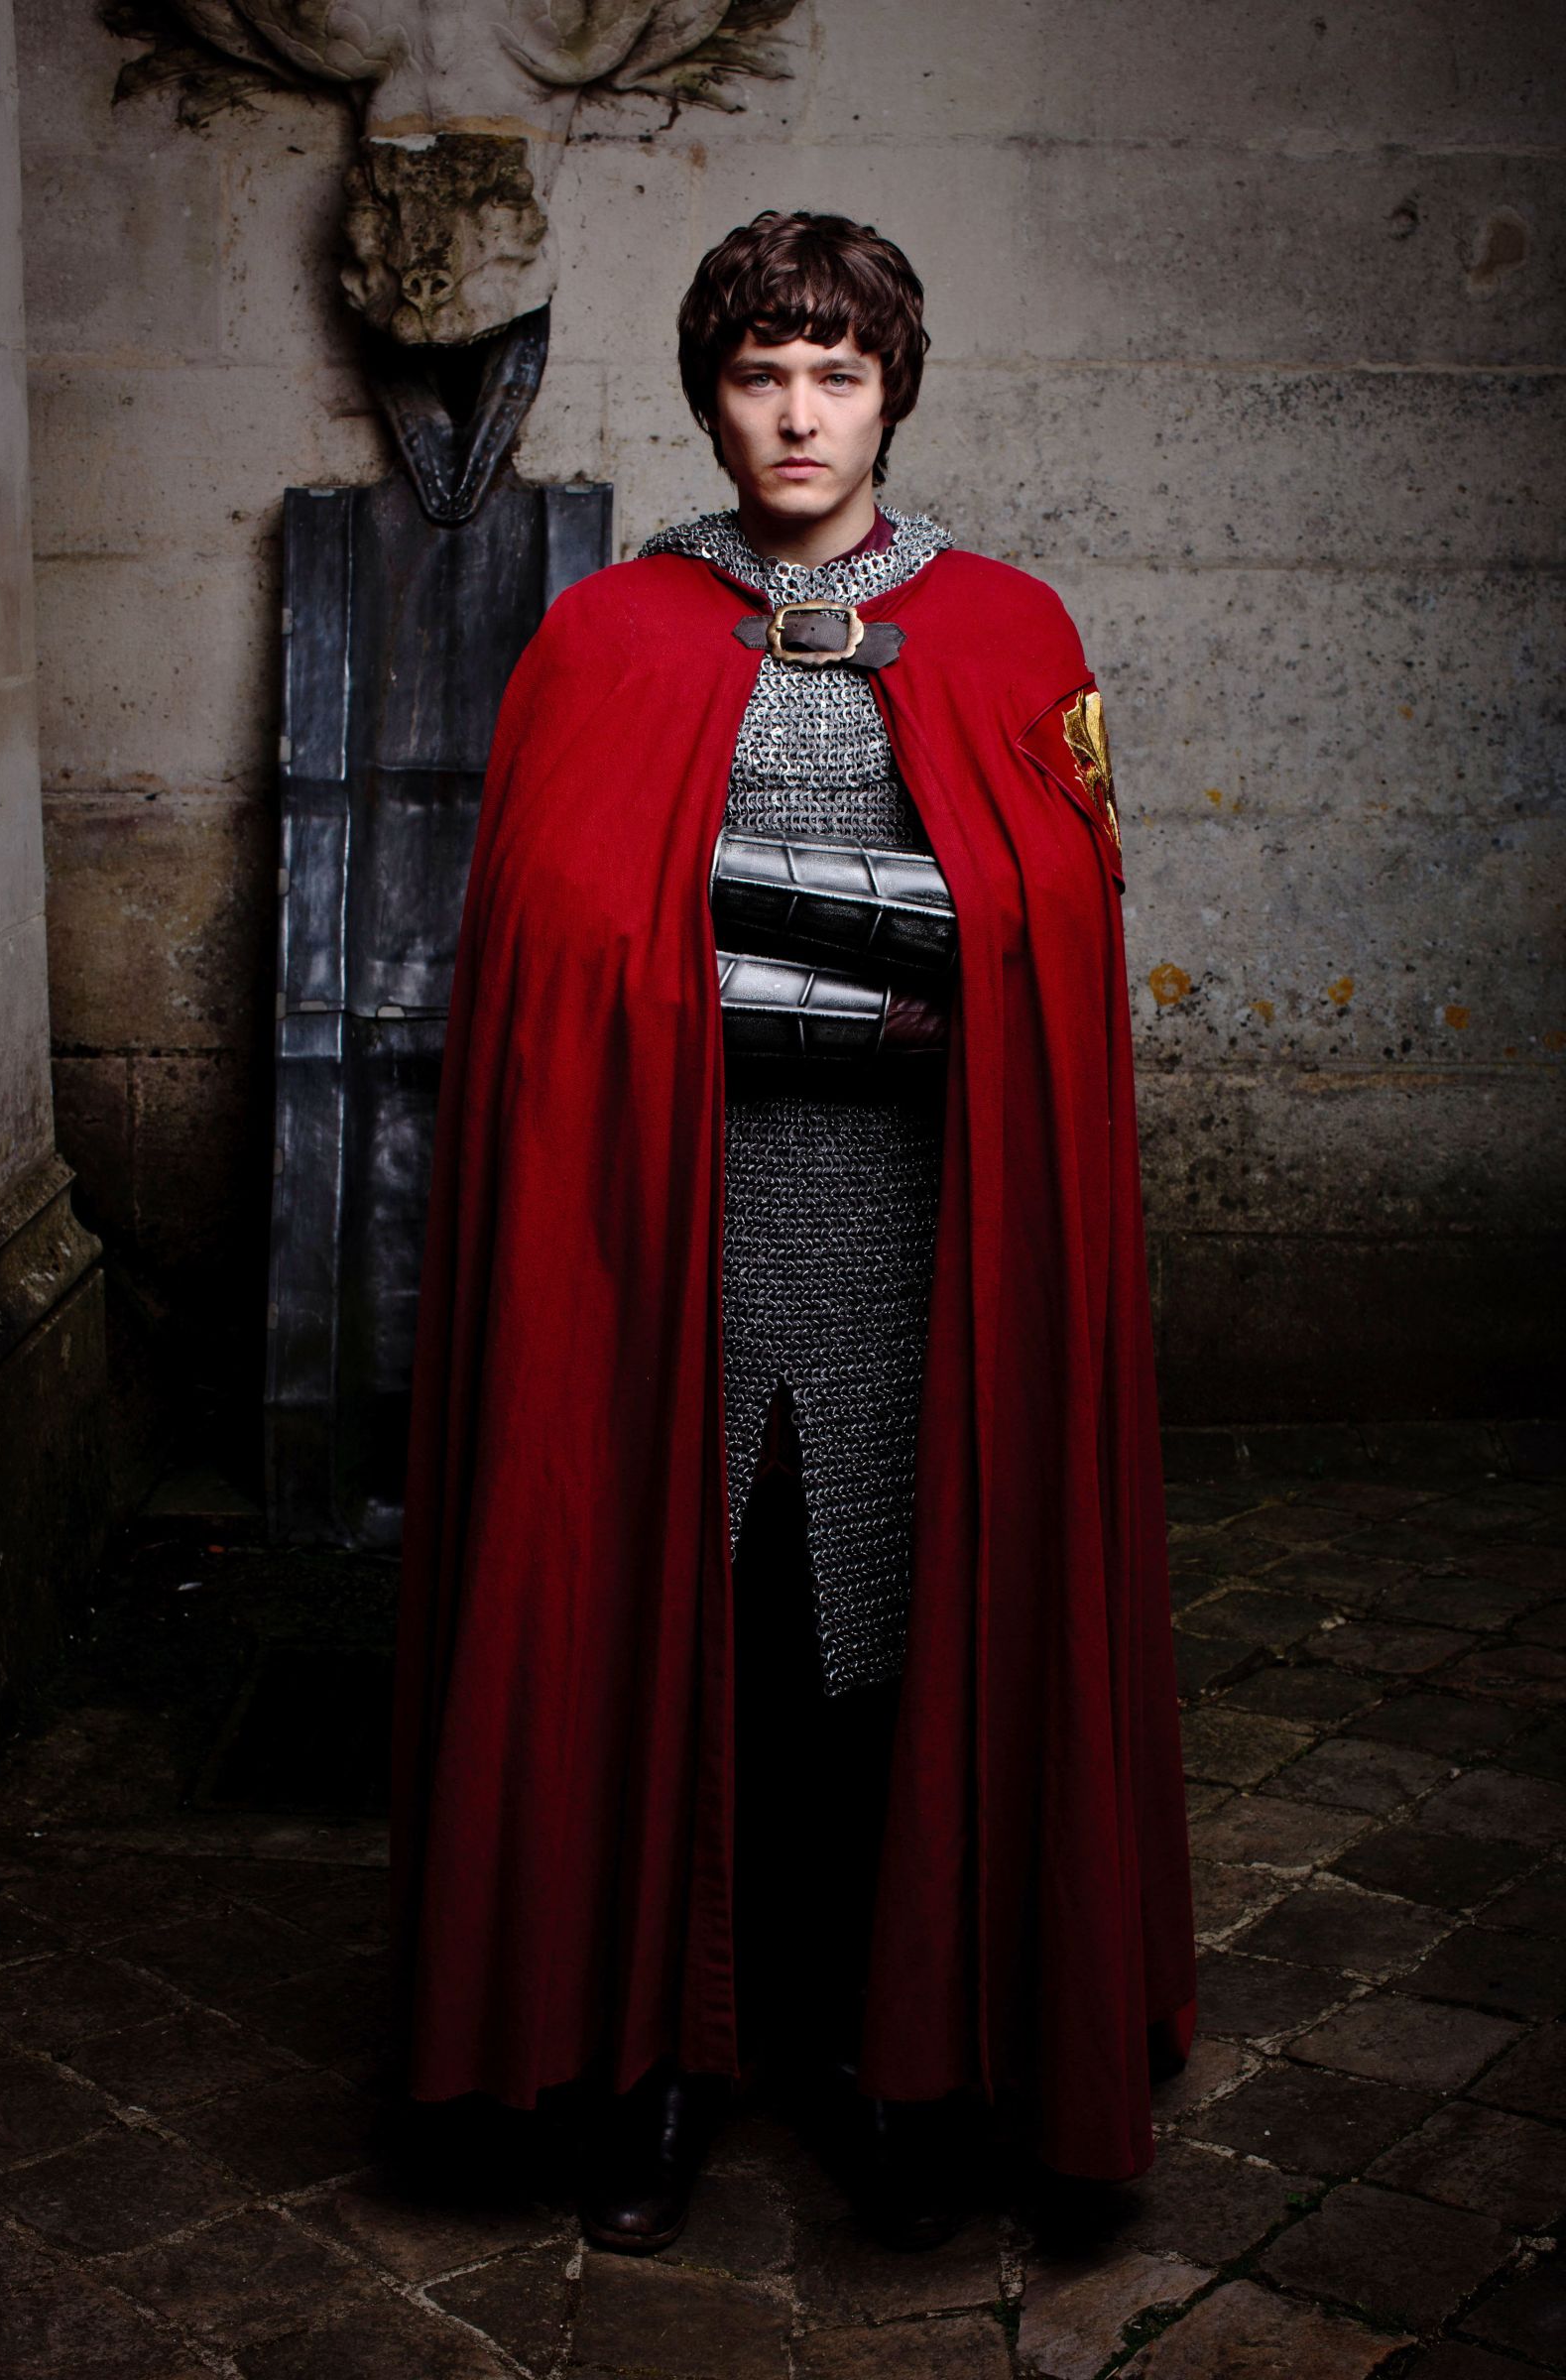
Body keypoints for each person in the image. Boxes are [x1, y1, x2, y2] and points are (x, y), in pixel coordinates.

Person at [390, 209, 1196, 2258]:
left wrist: (863, 948)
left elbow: (1058, 932)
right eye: (762, 373)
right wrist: (861, 970)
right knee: (694, 1640)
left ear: (891, 391)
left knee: (882, 1661)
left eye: (837, 373)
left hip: (923, 1239)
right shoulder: (610, 639)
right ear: (710, 397)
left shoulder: (1005, 628)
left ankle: (880, 2055)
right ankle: (657, 2065)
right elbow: (554, 947)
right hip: (657, 1237)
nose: (800, 413)